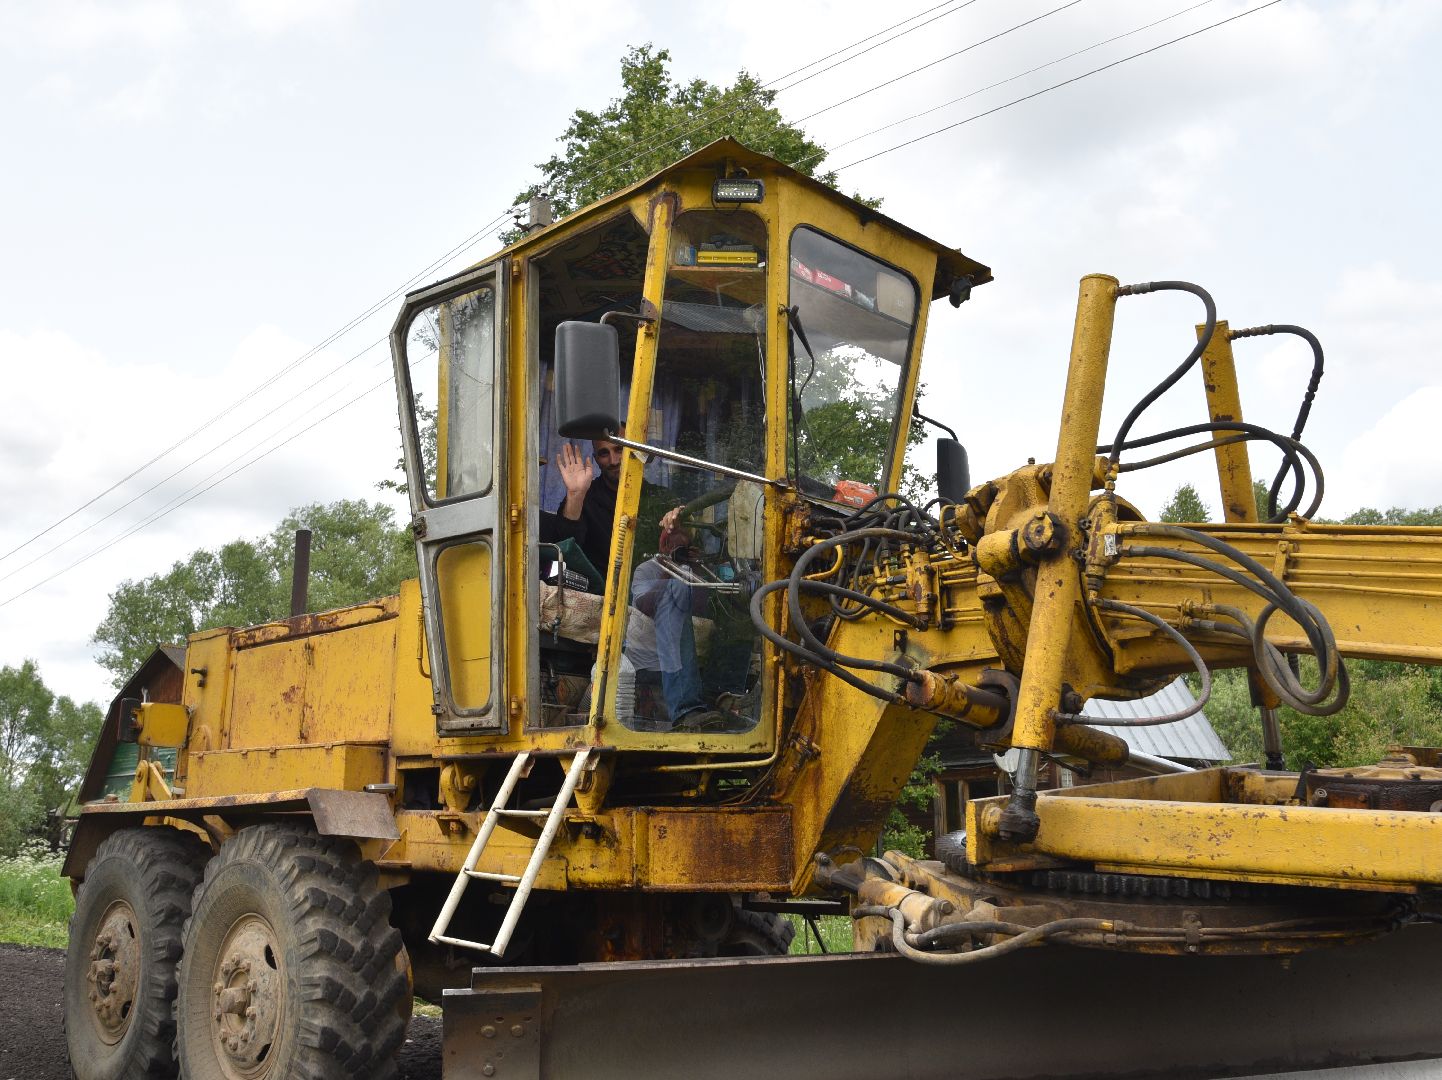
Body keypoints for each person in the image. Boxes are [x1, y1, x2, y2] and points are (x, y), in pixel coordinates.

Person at [550, 434, 720, 729]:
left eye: (619, 450)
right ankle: (688, 710)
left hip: (666, 583)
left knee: (733, 592)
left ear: (643, 454)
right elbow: (567, 545)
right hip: (617, 589)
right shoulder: (587, 497)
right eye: (603, 454)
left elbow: (688, 552)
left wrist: (680, 527)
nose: (613, 460)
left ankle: (728, 695)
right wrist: (576, 494)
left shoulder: (664, 499)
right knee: (674, 590)